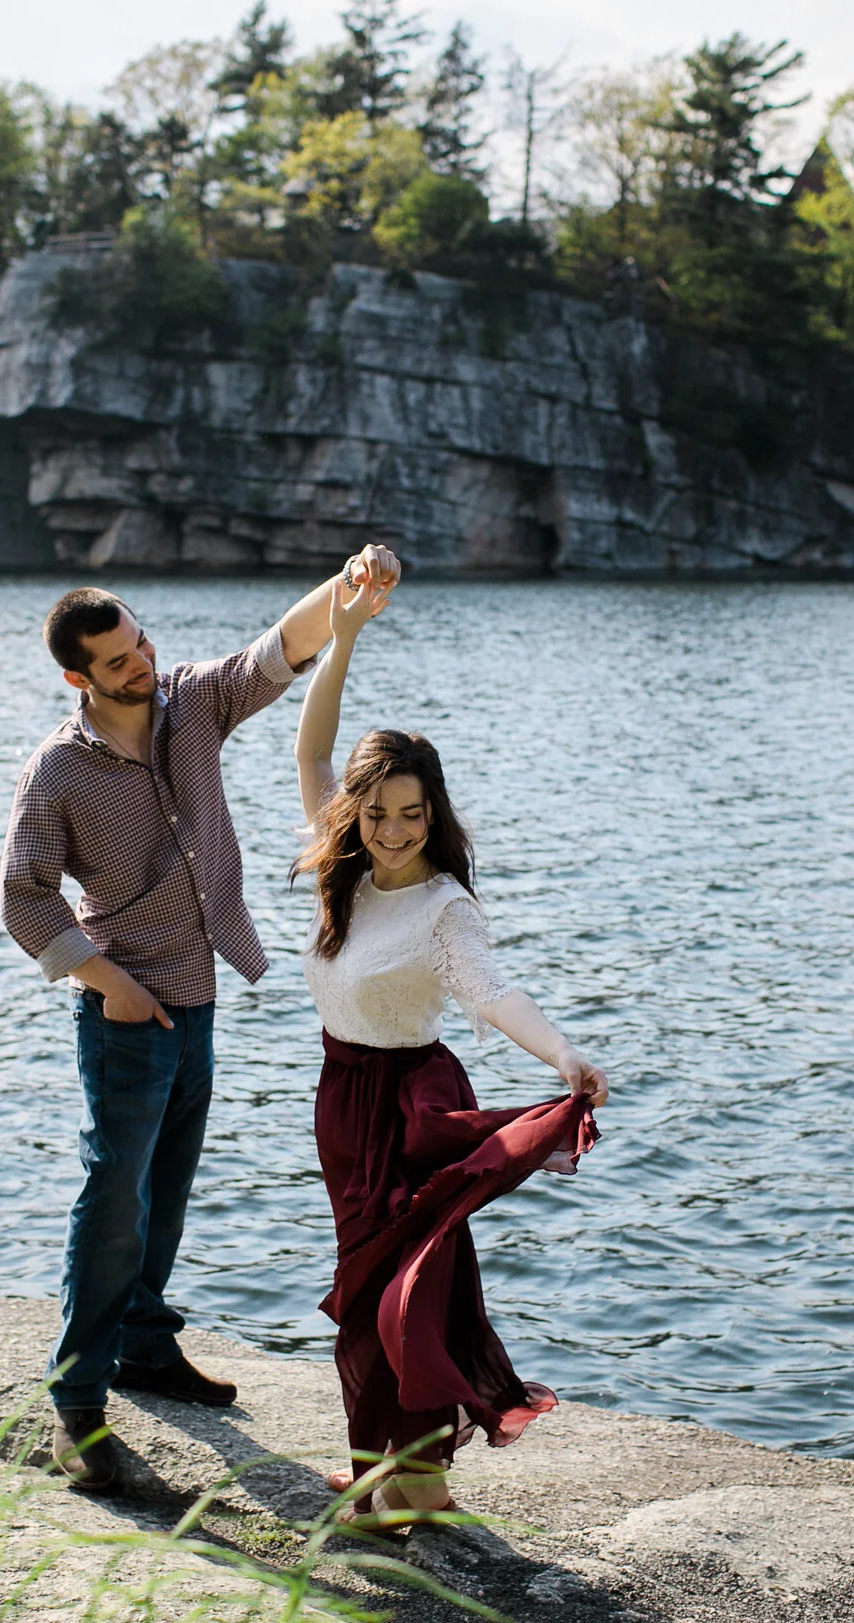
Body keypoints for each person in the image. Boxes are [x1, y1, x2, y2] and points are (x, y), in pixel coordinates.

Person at [0, 552, 399, 1492]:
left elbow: (281, 648)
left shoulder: (193, 703)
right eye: (117, 662)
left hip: (199, 994)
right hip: (127, 1010)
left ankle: (144, 1343)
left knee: (165, 1193)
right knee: (112, 1200)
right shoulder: (57, 770)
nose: (140, 664)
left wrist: (349, 587)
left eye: (138, 642)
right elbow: (24, 897)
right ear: (79, 678)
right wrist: (109, 983)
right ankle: (79, 1404)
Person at [291, 558, 608, 1525]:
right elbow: (311, 752)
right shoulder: (343, 875)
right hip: (340, 1103)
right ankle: (417, 1480)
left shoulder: (443, 906)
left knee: (400, 1297)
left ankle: (388, 1482)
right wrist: (341, 638)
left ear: (436, 813)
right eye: (377, 812)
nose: (392, 829)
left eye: (411, 813)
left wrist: (561, 1057)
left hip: (411, 1102)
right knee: (379, 1291)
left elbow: (492, 990)